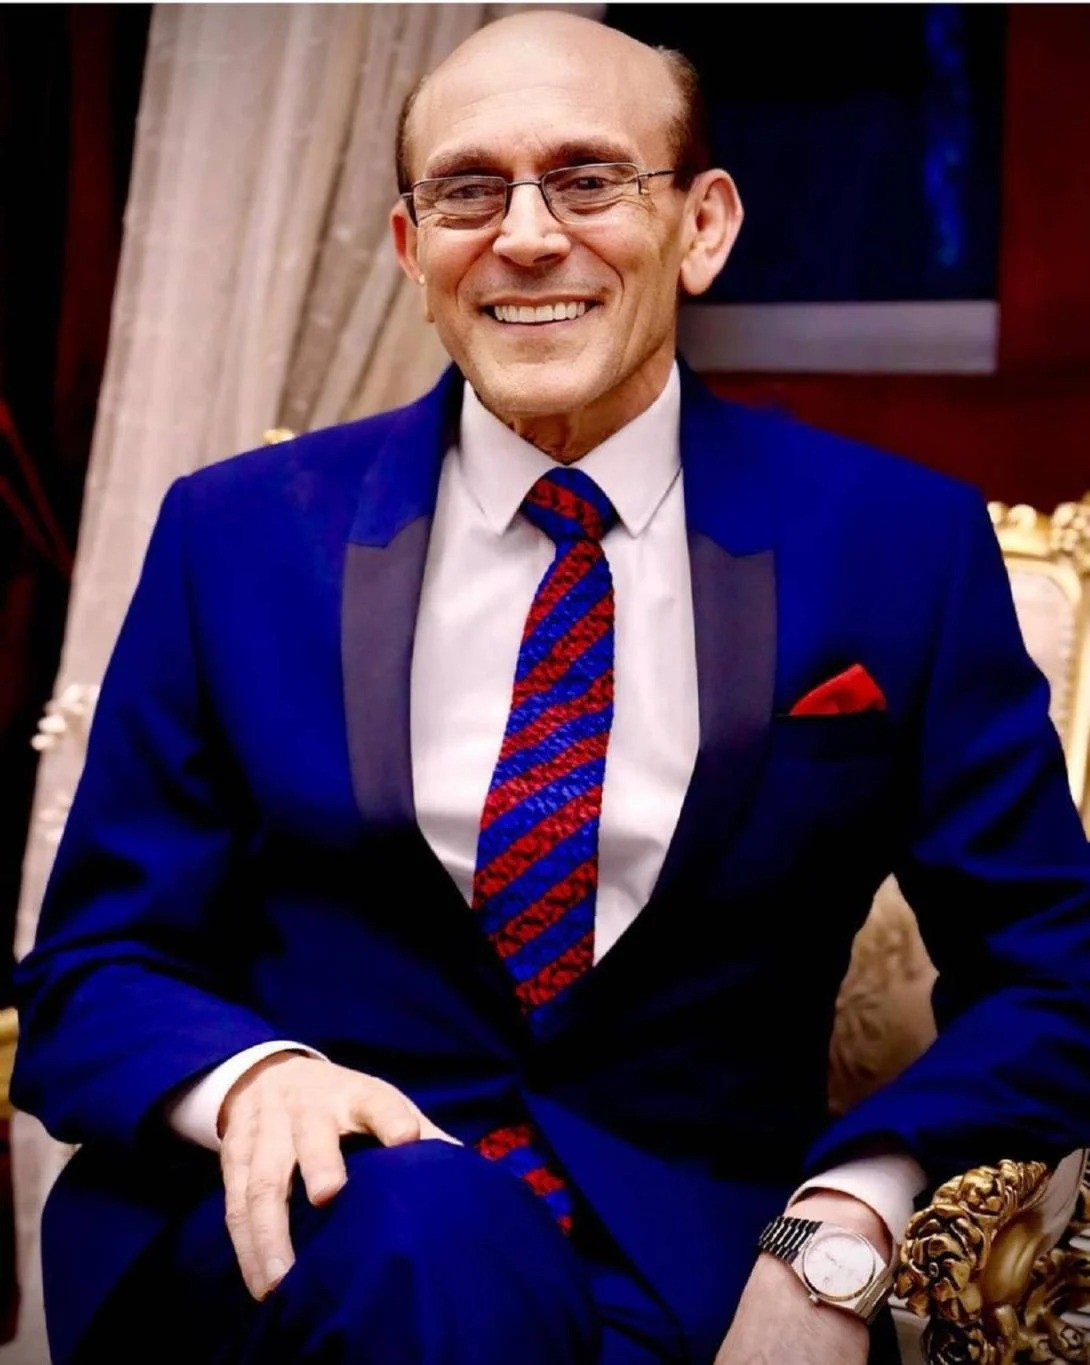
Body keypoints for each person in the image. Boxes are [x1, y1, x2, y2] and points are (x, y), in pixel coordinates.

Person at [11, 11, 1090, 1365]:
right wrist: (255, 1080)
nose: (525, 236)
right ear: (411, 249)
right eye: (468, 190)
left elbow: (1056, 976)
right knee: (424, 1226)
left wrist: (846, 1215)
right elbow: (92, 973)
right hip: (297, 1255)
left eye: (588, 179)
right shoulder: (237, 537)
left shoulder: (893, 548)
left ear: (702, 226)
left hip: (694, 1280)